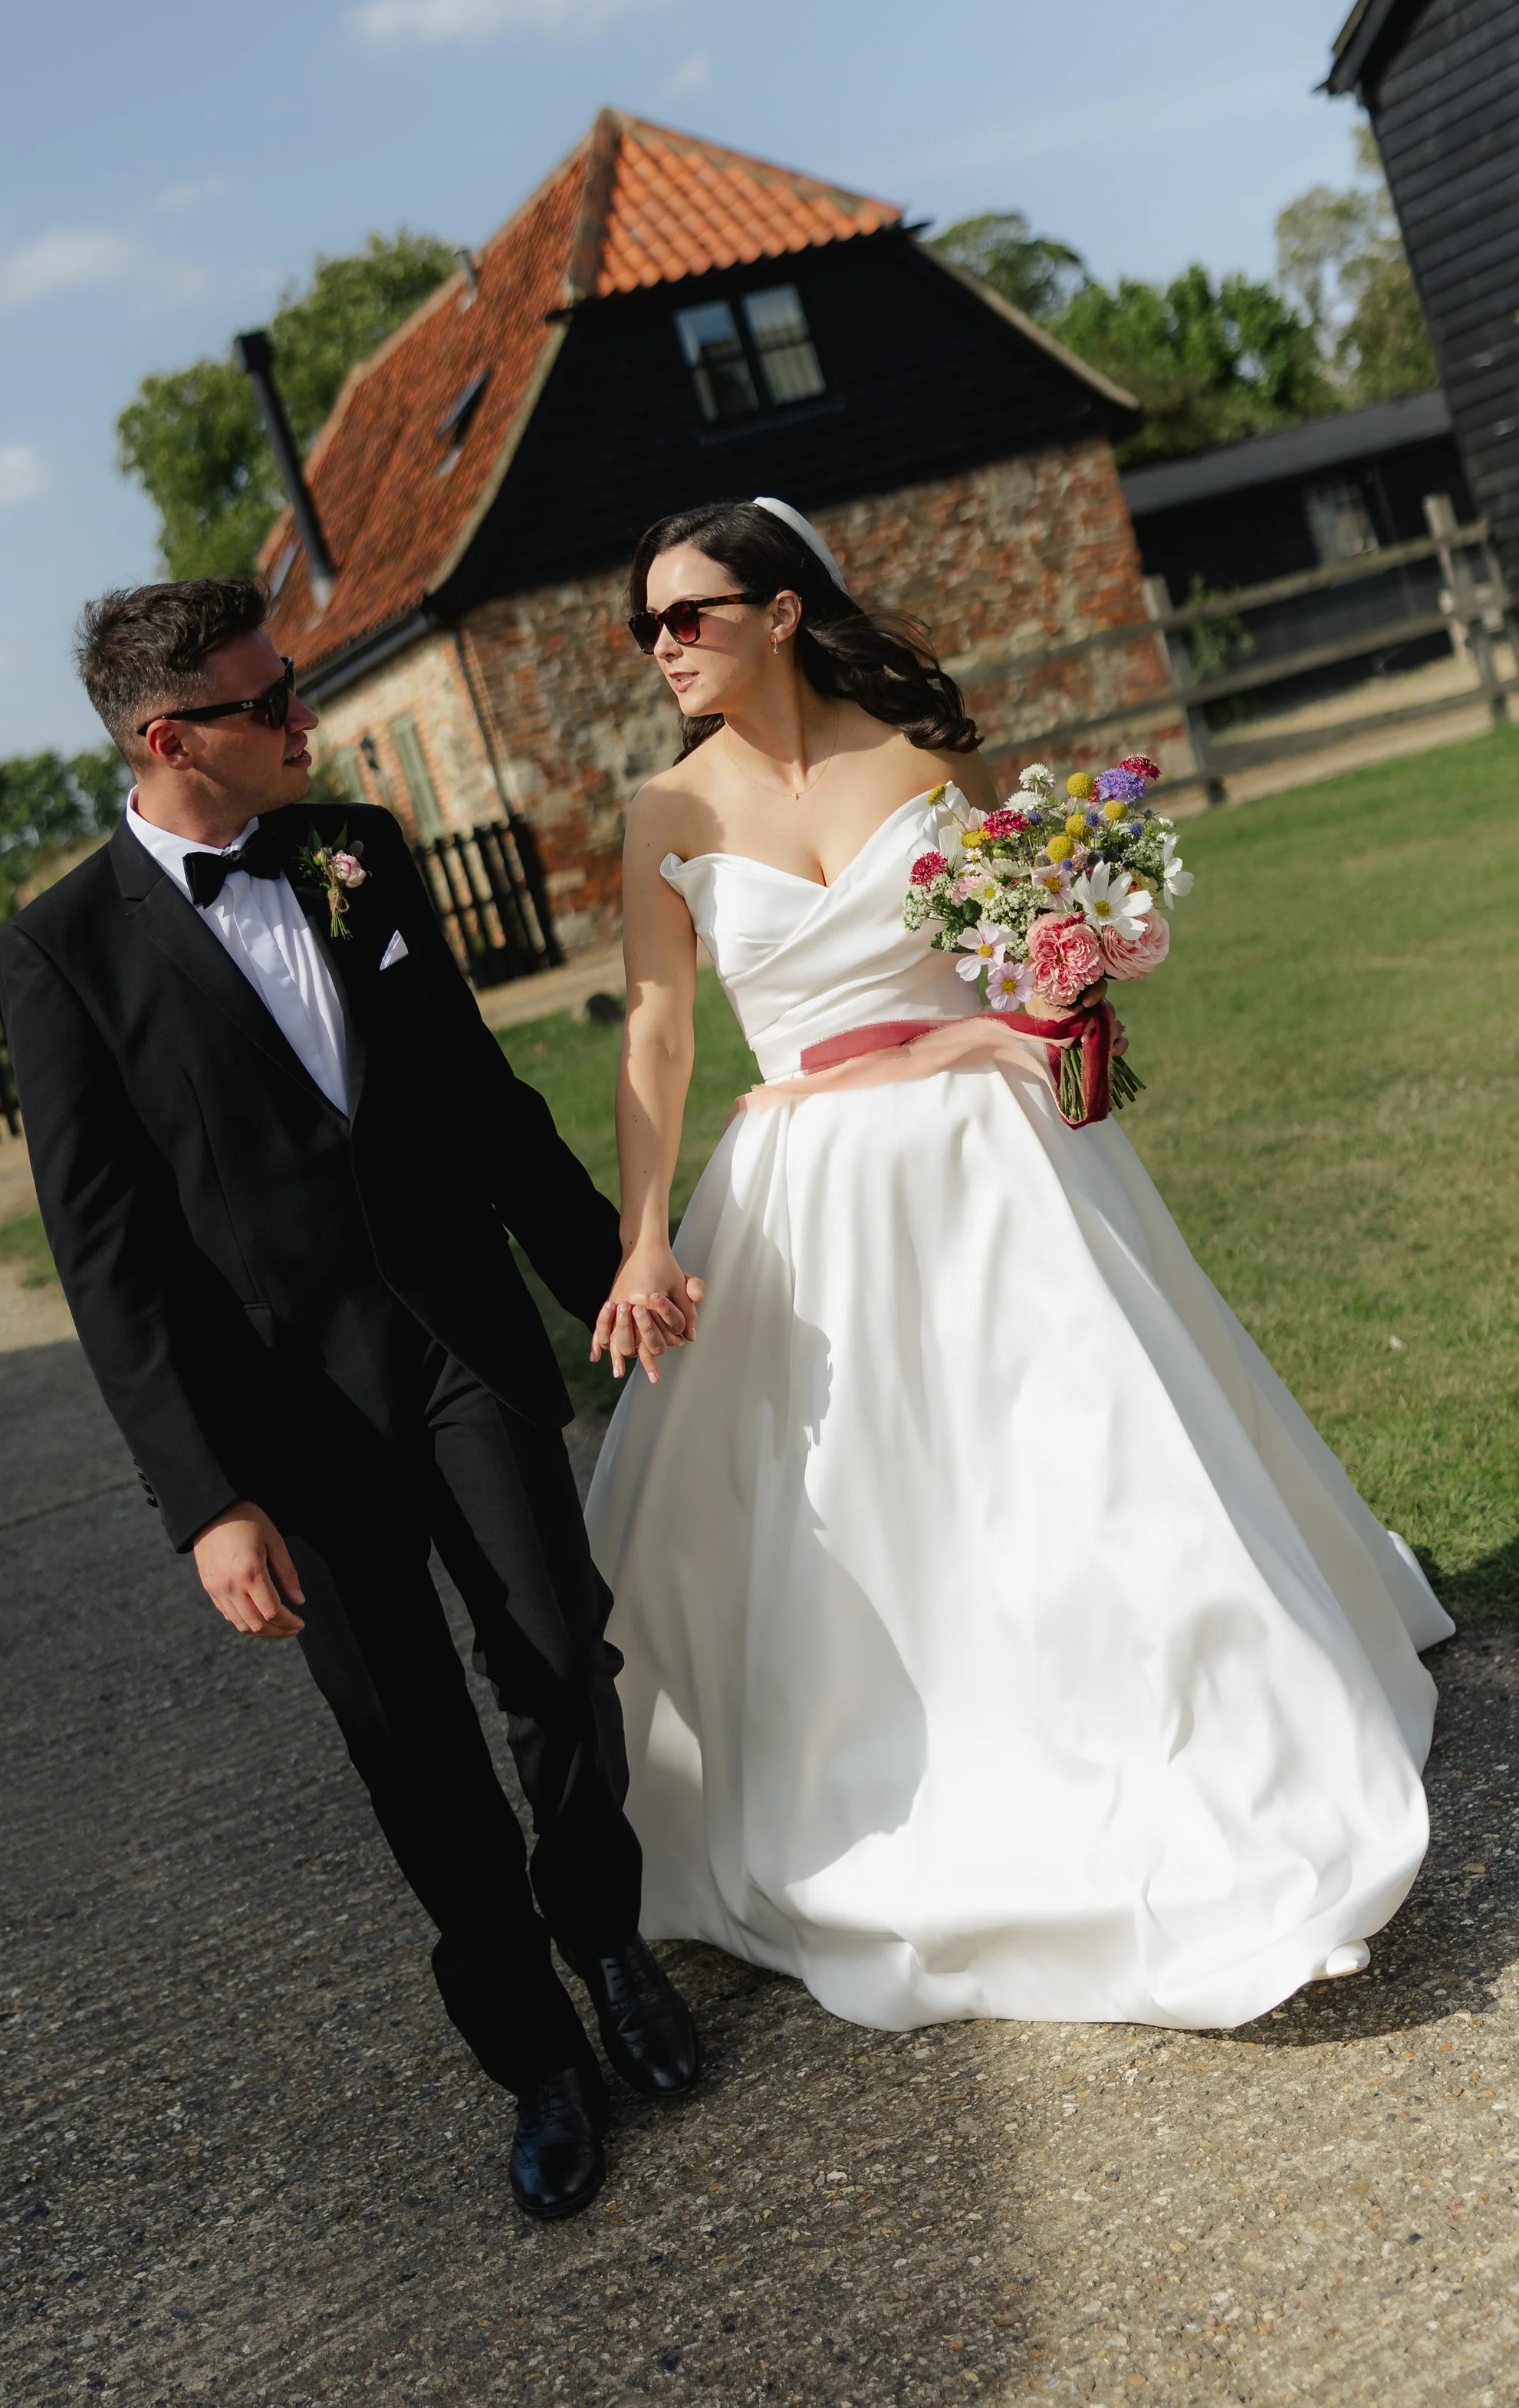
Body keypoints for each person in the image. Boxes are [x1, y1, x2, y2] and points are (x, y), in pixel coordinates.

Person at [583, 496, 1452, 2035]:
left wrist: (1061, 976)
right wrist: (643, 1230)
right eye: (644, 624)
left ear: (778, 612)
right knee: (867, 1497)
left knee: (1091, 1456)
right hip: (811, 1186)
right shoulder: (669, 817)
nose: (660, 646)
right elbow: (656, 1034)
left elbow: (996, 940)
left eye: (687, 615)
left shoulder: (917, 759)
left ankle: (1209, 1739)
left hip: (993, 1161)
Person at [0, 577, 699, 2222]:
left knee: (559, 1660)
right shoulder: (60, 951)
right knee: (414, 1754)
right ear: (173, 743)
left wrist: (604, 1259)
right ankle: (531, 2054)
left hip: (460, 1346)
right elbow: (107, 1261)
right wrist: (204, 1502)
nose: (305, 716)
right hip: (290, 1425)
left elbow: (472, 1088)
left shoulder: (358, 848)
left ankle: (607, 1945)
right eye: (272, 700)